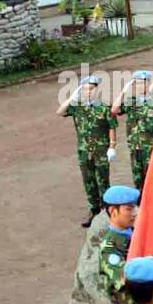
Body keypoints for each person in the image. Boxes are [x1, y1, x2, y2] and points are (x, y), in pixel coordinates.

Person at [58, 74, 116, 227]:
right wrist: (72, 96)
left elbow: (111, 126)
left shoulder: (104, 107)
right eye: (84, 89)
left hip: (101, 150)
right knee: (88, 181)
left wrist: (112, 146)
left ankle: (107, 211)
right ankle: (94, 210)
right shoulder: (78, 108)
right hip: (84, 151)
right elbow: (60, 111)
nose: (87, 92)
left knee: (103, 181)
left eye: (91, 89)